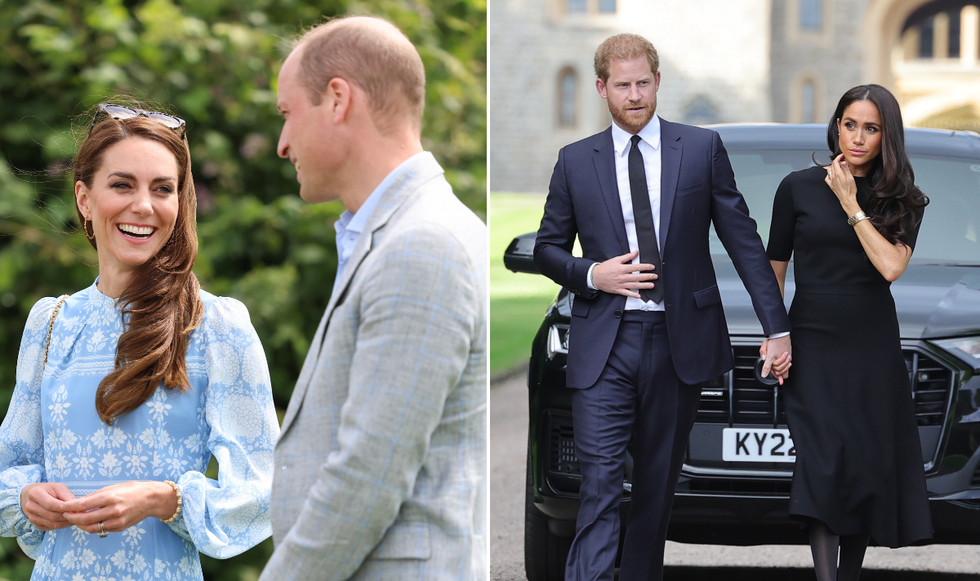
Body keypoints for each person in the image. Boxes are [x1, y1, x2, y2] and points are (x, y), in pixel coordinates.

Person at [533, 33, 792, 581]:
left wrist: (777, 327)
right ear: (602, 88)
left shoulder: (699, 149)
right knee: (600, 482)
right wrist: (593, 273)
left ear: (657, 82)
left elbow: (744, 241)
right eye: (622, 86)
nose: (634, 95)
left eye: (643, 83)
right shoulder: (575, 161)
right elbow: (548, 249)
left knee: (654, 491)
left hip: (678, 345)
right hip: (606, 340)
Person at [0, 103, 280, 580]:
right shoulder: (49, 323)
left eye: (163, 189)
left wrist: (164, 499)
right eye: (122, 184)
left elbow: (268, 488)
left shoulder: (216, 325)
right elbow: (11, 463)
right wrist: (26, 496)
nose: (144, 206)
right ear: (85, 199)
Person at [259, 16, 486, 581]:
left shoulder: (421, 245)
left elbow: (369, 473)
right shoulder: (393, 234)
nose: (283, 143)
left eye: (287, 114)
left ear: (337, 99)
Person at [766, 84, 932, 581]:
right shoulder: (795, 187)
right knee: (822, 462)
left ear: (887, 136)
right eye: (850, 124)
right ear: (836, 125)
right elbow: (774, 269)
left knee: (861, 466)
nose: (858, 138)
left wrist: (850, 203)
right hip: (811, 342)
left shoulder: (904, 197)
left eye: (871, 128)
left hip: (870, 345)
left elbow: (890, 267)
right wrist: (776, 333)